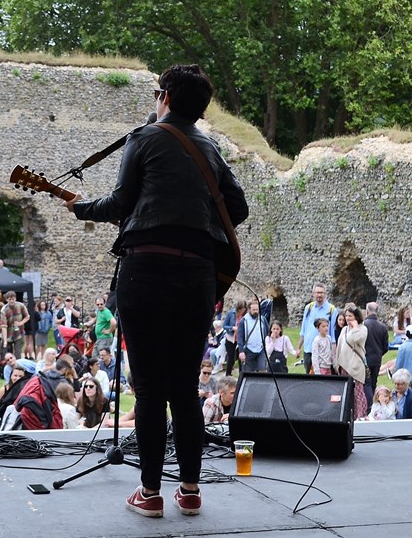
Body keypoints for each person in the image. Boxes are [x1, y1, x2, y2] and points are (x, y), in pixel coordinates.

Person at [67, 64, 248, 518]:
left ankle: (149, 495)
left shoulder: (144, 138)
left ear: (164, 96)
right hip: (198, 277)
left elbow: (120, 204)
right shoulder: (211, 148)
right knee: (185, 389)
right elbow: (238, 207)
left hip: (146, 270)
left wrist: (80, 207)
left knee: (148, 391)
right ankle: (189, 491)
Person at [333, 305, 368, 420]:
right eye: (346, 315)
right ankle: (348, 416)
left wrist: (355, 327)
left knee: (358, 393)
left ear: (356, 316)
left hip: (355, 366)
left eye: (350, 316)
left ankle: (360, 416)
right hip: (344, 365)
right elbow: (340, 346)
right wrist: (337, 363)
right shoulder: (344, 329)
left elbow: (354, 339)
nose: (348, 318)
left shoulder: (362, 329)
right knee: (346, 393)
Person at [298, 285, 338, 375]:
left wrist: (333, 354)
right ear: (313, 294)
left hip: (324, 352)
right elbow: (303, 329)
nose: (319, 295)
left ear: (325, 294)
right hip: (309, 350)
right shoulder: (308, 308)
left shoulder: (332, 310)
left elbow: (332, 333)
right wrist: (299, 348)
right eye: (317, 292)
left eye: (321, 293)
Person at [362, 302, 390, 411]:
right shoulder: (383, 327)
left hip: (365, 358)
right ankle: (374, 403)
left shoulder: (363, 325)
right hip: (377, 359)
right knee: (373, 382)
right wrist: (379, 353)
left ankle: (369, 406)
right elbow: (385, 347)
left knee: (367, 383)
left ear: (367, 311)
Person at [237, 299, 267, 373]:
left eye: (257, 309)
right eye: (253, 310)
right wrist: (241, 351)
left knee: (263, 371)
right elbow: (240, 337)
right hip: (248, 350)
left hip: (261, 349)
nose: (255, 311)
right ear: (249, 309)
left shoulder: (262, 319)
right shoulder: (244, 321)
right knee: (248, 373)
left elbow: (268, 331)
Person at [0, 290, 29, 359]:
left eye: (13, 299)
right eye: (10, 299)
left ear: (15, 299)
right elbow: (3, 326)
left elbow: (27, 316)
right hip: (8, 333)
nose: (12, 301)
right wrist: (5, 341)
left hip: (19, 333)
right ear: (7, 300)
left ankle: (18, 367)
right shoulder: (4, 310)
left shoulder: (21, 306)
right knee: (8, 354)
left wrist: (20, 323)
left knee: (18, 353)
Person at [220, 300, 245, 376]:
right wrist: (232, 328)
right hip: (230, 338)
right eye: (241, 310)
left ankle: (241, 375)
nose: (242, 311)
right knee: (231, 358)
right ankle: (228, 374)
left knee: (241, 358)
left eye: (243, 310)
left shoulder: (245, 316)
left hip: (240, 339)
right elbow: (224, 326)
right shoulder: (231, 313)